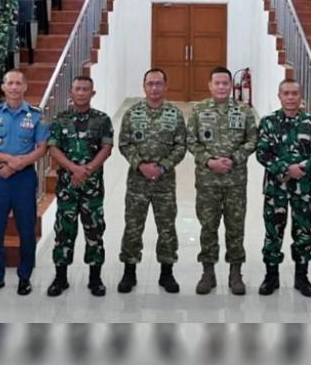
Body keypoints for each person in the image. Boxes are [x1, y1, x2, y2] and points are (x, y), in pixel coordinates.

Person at [185, 67, 259, 296]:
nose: (221, 87)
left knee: (235, 228)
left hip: (235, 180)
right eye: (216, 83)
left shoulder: (244, 111)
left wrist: (234, 159)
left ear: (230, 85)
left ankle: (235, 273)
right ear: (209, 85)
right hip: (207, 180)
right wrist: (209, 161)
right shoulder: (198, 111)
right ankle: (208, 272)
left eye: (225, 83)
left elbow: (252, 140)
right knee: (208, 226)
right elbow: (190, 141)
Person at [0, 69, 49, 296]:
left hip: (25, 178)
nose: (15, 87)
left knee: (26, 228)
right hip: (0, 177)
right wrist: (8, 161)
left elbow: (42, 148)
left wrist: (18, 164)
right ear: (3, 88)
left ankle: (24, 276)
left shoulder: (38, 115)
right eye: (10, 83)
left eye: (19, 83)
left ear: (25, 87)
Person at [116, 68, 187, 294]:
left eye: (158, 83)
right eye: (150, 84)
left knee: (166, 227)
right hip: (137, 181)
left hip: (165, 182)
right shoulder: (132, 113)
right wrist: (141, 165)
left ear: (166, 86)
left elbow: (181, 146)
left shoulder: (175, 114)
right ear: (144, 86)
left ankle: (167, 273)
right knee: (133, 226)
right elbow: (124, 144)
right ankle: (129, 271)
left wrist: (163, 166)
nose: (154, 88)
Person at [45, 75, 113, 297]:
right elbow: (54, 149)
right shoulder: (60, 119)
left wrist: (87, 169)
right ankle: (60, 278)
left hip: (92, 186)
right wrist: (74, 169)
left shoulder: (102, 120)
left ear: (93, 93)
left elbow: (106, 148)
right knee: (64, 231)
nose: (81, 92)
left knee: (94, 231)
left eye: (86, 89)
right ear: (71, 93)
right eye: (77, 89)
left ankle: (95, 279)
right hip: (67, 186)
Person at [255, 78, 311, 297]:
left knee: (303, 233)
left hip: (302, 189)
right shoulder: (268, 122)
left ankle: (301, 277)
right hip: (276, 189)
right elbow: (262, 152)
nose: (291, 97)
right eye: (286, 93)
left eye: (295, 93)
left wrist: (303, 167)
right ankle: (271, 276)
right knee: (273, 232)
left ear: (300, 96)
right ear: (280, 96)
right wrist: (286, 168)